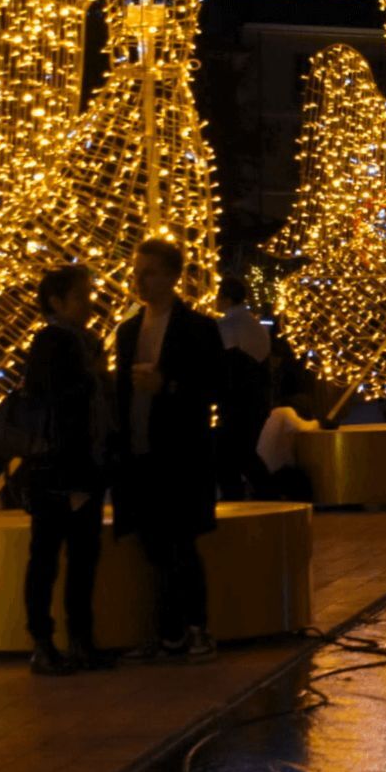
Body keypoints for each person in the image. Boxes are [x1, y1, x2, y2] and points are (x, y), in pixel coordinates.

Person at [114, 239, 225, 663]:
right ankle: (169, 633)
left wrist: (170, 386)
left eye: (149, 272)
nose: (139, 280)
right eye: (137, 271)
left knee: (181, 543)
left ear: (173, 276)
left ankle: (196, 628)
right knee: (154, 546)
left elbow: (216, 386)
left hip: (181, 453)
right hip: (141, 453)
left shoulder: (197, 329)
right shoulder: (128, 331)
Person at [21, 265, 113, 675]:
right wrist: (91, 378)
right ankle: (44, 642)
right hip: (57, 470)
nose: (89, 301)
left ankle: (80, 640)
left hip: (82, 467)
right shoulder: (52, 342)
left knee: (81, 557)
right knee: (48, 556)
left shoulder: (83, 341)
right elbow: (55, 401)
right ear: (56, 302)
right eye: (80, 295)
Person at [212, 278, 272, 500]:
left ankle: (242, 497)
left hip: (238, 400)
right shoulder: (253, 324)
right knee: (242, 452)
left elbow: (225, 363)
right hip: (257, 399)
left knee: (232, 453)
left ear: (226, 299)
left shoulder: (227, 326)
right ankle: (264, 495)